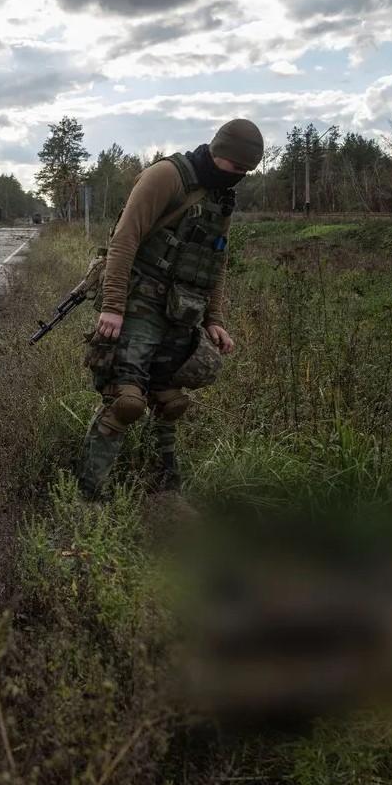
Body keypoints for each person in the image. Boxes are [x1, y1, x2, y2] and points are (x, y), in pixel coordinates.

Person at [76, 119, 264, 500]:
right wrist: (113, 307)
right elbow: (124, 241)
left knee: (170, 400)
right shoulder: (167, 176)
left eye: (247, 172)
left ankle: (165, 491)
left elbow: (217, 261)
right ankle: (87, 497)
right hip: (138, 300)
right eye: (237, 168)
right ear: (218, 153)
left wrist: (215, 319)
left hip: (182, 312)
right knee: (125, 402)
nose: (239, 177)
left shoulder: (222, 194)